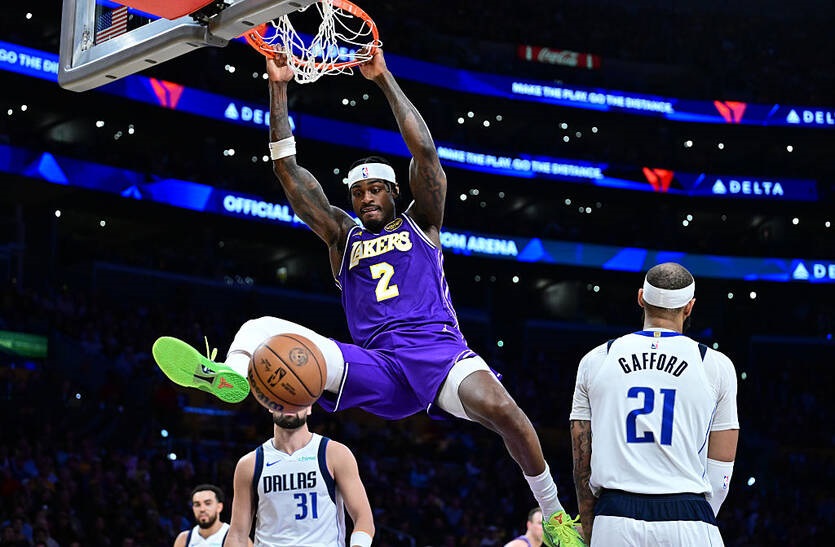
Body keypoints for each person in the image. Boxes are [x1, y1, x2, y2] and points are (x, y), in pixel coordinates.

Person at [152, 49, 582, 547]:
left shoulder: (423, 223)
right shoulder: (342, 236)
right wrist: (278, 87)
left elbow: (426, 155)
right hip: (375, 363)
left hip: (437, 352)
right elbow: (288, 171)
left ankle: (554, 516)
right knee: (261, 327)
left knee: (505, 412)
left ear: (394, 192)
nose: (367, 199)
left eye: (376, 190)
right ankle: (230, 372)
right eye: (358, 193)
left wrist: (383, 78)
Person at [569, 262, 740, 545]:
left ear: (641, 298)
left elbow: (581, 463)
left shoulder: (596, 360)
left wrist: (590, 525)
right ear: (689, 307)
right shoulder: (715, 365)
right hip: (688, 512)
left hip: (615, 515)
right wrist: (702, 519)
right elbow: (721, 471)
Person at [223, 405, 374, 547]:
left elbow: (364, 519)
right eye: (283, 400)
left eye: (297, 400)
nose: (290, 405)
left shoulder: (334, 453)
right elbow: (237, 535)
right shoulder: (250, 463)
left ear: (309, 408)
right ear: (270, 405)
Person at [173, 484, 242, 547]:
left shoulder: (235, 537)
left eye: (208, 503)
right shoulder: (183, 539)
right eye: (197, 504)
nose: (202, 509)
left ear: (219, 507)